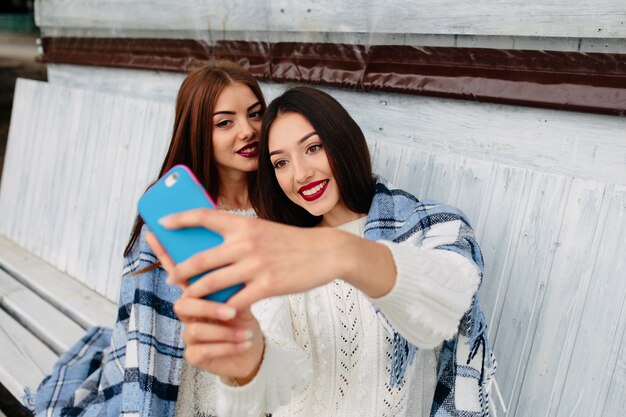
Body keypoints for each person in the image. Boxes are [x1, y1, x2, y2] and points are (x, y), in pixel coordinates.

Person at [150, 86, 497, 417]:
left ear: (343, 141)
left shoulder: (433, 226)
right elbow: (274, 382)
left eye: (312, 148)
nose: (300, 174)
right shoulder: (283, 253)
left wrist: (342, 252)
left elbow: (449, 301)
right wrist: (247, 363)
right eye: (280, 163)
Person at [32, 60, 267, 417]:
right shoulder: (176, 216)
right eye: (225, 122)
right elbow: (148, 324)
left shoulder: (280, 202)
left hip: (266, 363)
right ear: (197, 134)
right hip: (192, 375)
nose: (248, 131)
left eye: (255, 115)